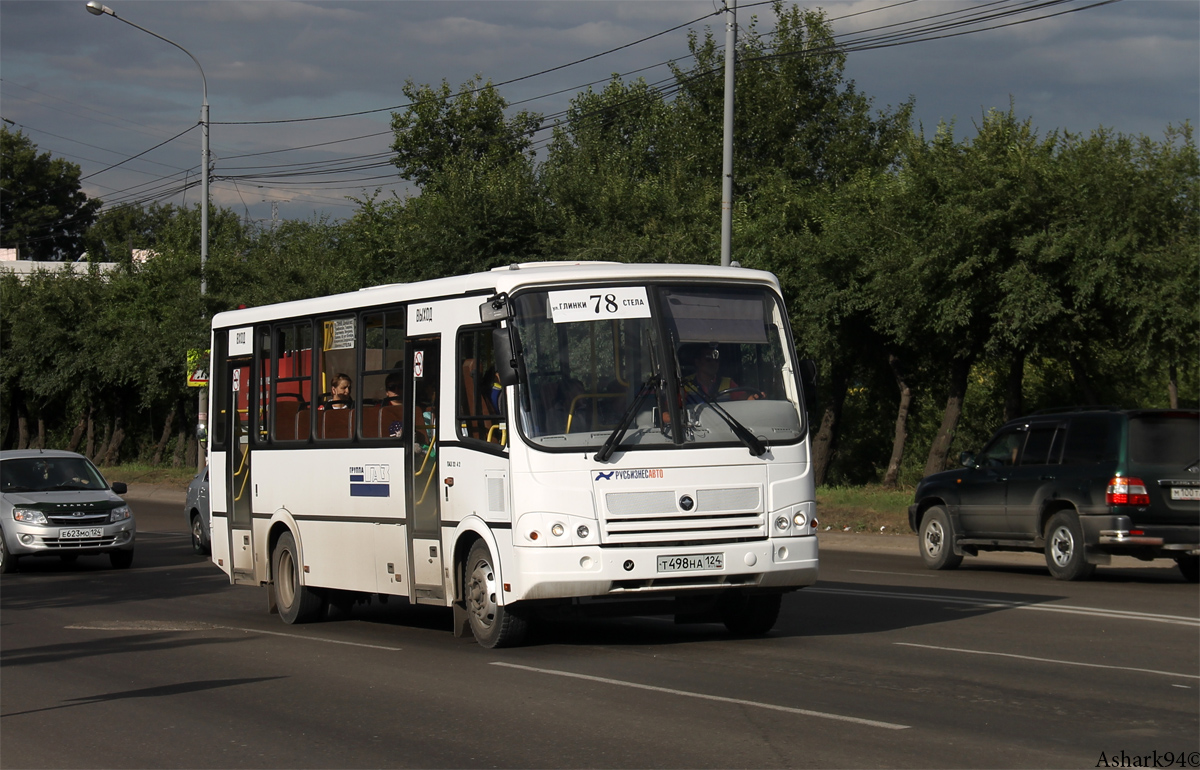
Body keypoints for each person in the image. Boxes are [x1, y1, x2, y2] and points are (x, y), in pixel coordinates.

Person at [383, 371, 403, 437]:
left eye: (400, 386)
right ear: (386, 392)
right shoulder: (380, 410)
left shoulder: (414, 408)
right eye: (392, 387)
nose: (396, 390)